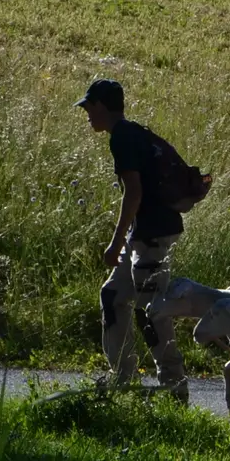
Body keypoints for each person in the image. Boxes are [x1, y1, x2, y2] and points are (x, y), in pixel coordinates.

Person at [76, 77, 187, 400]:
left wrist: (115, 241)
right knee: (113, 296)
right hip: (148, 234)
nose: (86, 114)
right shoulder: (134, 132)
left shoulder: (122, 138)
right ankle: (122, 377)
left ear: (100, 105)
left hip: (151, 237)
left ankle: (174, 386)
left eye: (88, 107)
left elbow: (134, 193)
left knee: (151, 311)